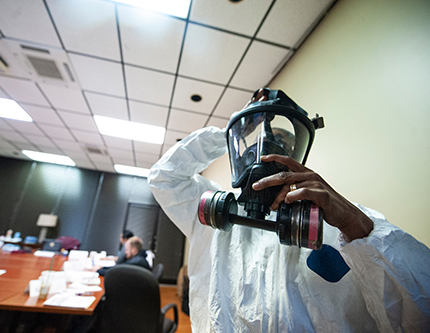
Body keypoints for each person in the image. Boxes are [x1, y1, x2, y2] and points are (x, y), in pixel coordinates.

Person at [148, 88, 430, 332]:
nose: (265, 152)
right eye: (255, 145)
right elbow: (164, 177)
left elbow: (418, 312)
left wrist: (358, 227)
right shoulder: (216, 214)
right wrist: (230, 133)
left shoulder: (339, 221)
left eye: (281, 145)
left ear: (296, 158)